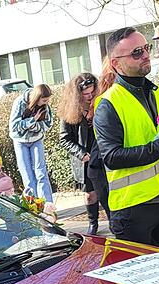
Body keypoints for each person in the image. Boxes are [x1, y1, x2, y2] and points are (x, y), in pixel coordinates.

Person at [94, 27, 159, 255]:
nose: (146, 55)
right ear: (116, 64)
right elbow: (111, 157)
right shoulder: (108, 104)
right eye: (136, 52)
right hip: (133, 211)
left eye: (146, 48)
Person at [58, 73, 110, 234]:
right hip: (86, 159)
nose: (89, 97)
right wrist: (82, 154)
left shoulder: (102, 104)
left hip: (104, 154)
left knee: (107, 192)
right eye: (85, 94)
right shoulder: (70, 111)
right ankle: (92, 223)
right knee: (90, 195)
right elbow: (64, 138)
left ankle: (113, 220)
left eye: (92, 93)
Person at [9, 84, 55, 206]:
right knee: (28, 176)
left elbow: (48, 124)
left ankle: (48, 205)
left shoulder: (45, 106)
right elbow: (14, 127)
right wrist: (32, 120)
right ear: (37, 98)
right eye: (44, 100)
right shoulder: (20, 102)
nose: (46, 102)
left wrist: (33, 126)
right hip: (20, 142)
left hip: (36, 140)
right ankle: (33, 206)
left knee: (41, 173)